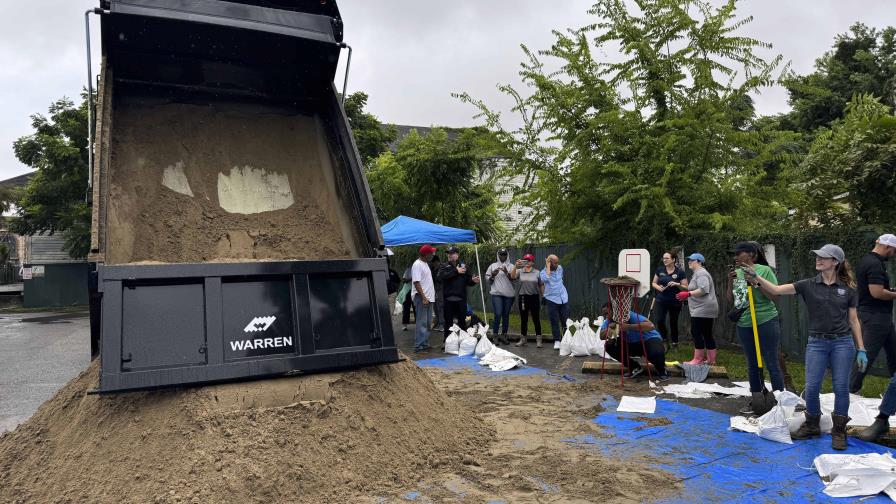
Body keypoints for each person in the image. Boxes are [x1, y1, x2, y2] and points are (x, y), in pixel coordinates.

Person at [744, 244, 865, 450]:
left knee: (841, 388)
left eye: (823, 257)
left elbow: (853, 320)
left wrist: (861, 348)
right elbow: (776, 290)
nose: (818, 259)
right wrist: (757, 278)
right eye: (817, 256)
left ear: (835, 262)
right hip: (817, 342)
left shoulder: (848, 289)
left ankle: (838, 430)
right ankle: (812, 424)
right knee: (811, 387)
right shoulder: (808, 284)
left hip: (842, 343)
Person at [729, 241, 785, 416]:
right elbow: (735, 302)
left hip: (766, 320)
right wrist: (728, 281)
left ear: (751, 255)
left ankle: (779, 401)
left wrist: (756, 282)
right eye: (735, 254)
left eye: (739, 253)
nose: (736, 257)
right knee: (752, 362)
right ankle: (757, 399)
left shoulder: (764, 271)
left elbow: (775, 296)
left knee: (771, 360)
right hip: (745, 322)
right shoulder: (737, 273)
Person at [850, 234, 896, 394]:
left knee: (894, 352)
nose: (894, 254)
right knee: (866, 355)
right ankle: (849, 390)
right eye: (894, 251)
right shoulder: (875, 264)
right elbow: (876, 293)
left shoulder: (867, 260)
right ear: (888, 247)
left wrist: (890, 291)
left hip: (876, 315)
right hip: (876, 317)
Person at [598, 303, 670, 381]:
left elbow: (650, 326)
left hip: (649, 340)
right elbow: (601, 336)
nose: (606, 316)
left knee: (656, 352)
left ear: (615, 311)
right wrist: (609, 328)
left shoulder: (630, 315)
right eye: (604, 314)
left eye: (607, 313)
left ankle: (661, 370)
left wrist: (628, 327)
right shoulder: (609, 320)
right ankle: (634, 367)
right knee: (609, 346)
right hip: (632, 343)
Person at [671, 253, 719, 365]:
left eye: (691, 260)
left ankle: (698, 359)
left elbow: (703, 290)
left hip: (703, 308)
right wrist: (679, 285)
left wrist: (688, 294)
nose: (689, 262)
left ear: (699, 262)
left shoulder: (701, 273)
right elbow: (694, 288)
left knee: (696, 332)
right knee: (707, 333)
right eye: (689, 260)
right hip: (706, 308)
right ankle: (711, 360)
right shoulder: (698, 273)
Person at [437, 246, 481, 344]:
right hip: (448, 299)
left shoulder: (464, 266)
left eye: (452, 253)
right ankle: (447, 342)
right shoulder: (444, 266)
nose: (450, 255)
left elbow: (468, 281)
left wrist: (473, 281)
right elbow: (440, 277)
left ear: (457, 255)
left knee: (462, 322)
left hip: (461, 299)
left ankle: (463, 342)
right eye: (448, 253)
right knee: (448, 322)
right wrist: (456, 271)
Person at [651, 251, 688, 348]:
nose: (664, 260)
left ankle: (675, 343)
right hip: (661, 300)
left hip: (675, 301)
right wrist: (658, 287)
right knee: (659, 320)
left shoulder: (680, 272)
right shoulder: (660, 270)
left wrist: (677, 284)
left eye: (667, 258)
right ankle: (664, 340)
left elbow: (686, 287)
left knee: (673, 322)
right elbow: (654, 283)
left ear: (673, 260)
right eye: (663, 258)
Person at [486, 248, 517, 345]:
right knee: (498, 313)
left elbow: (514, 280)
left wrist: (506, 272)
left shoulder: (512, 266)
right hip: (496, 293)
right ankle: (495, 335)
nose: (502, 256)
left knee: (506, 315)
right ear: (498, 255)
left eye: (504, 254)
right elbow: (488, 280)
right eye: (500, 254)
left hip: (508, 294)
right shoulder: (492, 266)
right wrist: (493, 275)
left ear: (507, 255)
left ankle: (504, 335)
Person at [513, 253, 544, 347]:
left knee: (536, 318)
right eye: (525, 260)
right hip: (523, 297)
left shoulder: (537, 272)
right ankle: (523, 339)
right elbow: (512, 276)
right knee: (523, 319)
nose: (527, 262)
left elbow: (541, 284)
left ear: (532, 262)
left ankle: (539, 339)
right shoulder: (519, 271)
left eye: (529, 260)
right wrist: (515, 265)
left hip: (534, 297)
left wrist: (543, 296)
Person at [411, 245, 437, 353]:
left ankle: (425, 343)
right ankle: (419, 346)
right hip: (422, 297)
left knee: (427, 322)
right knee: (422, 322)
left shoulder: (425, 263)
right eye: (431, 253)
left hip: (428, 297)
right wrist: (424, 297)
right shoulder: (417, 264)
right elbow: (416, 282)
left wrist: (432, 295)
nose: (432, 255)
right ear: (425, 254)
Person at [541, 254, 570, 350]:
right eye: (555, 262)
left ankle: (567, 339)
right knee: (554, 320)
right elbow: (546, 278)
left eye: (558, 262)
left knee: (565, 320)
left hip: (563, 298)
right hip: (551, 300)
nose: (557, 264)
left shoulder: (560, 268)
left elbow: (560, 279)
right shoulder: (543, 272)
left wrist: (552, 265)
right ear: (549, 262)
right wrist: (548, 265)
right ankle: (557, 340)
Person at [430, 255, 444, 332]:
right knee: (435, 307)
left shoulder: (442, 268)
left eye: (434, 262)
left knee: (440, 307)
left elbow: (440, 279)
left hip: (440, 289)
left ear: (437, 261)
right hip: (433, 289)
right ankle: (438, 323)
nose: (433, 264)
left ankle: (442, 324)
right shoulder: (432, 268)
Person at [398, 265, 415, 331]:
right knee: (406, 309)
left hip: (415, 291)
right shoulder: (409, 269)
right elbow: (404, 280)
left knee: (416, 308)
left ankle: (418, 324)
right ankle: (405, 325)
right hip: (408, 291)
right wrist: (412, 278)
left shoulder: (419, 268)